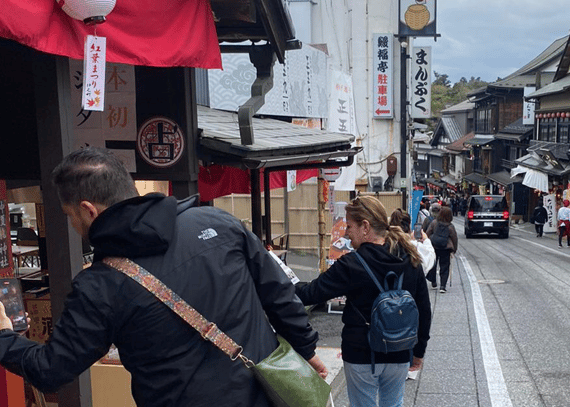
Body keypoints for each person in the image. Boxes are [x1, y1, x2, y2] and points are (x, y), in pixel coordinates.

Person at [0, 147, 326, 407]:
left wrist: (3, 336)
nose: (74, 225)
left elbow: (51, 370)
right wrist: (306, 350)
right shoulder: (217, 222)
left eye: (70, 216)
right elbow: (279, 292)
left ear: (88, 210)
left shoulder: (100, 285)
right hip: (261, 395)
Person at [295, 195, 431, 407]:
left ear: (365, 227)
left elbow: (311, 293)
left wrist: (280, 283)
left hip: (361, 353)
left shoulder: (352, 264)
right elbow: (423, 308)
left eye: (349, 226)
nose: (347, 233)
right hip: (400, 350)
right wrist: (419, 351)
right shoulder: (409, 257)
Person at [425, 206, 458, 293]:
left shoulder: (434, 223)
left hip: (434, 246)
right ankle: (442, 286)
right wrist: (454, 249)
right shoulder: (450, 226)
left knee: (433, 264)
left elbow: (427, 233)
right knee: (445, 266)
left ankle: (433, 281)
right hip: (445, 248)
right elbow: (454, 238)